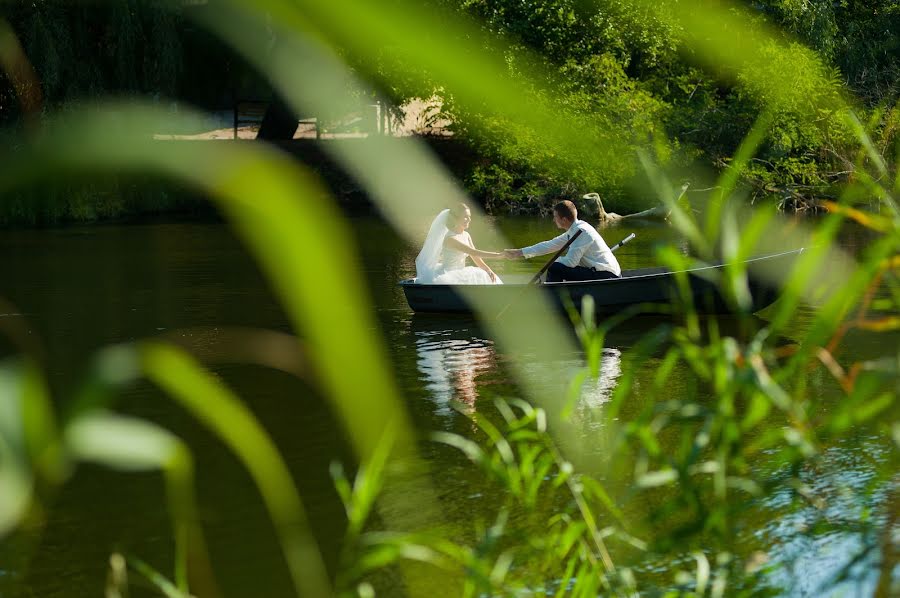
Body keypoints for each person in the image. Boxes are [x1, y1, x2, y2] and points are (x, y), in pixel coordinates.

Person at [503, 200, 621, 282]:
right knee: (556, 267)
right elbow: (549, 245)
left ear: (563, 219)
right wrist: (519, 252)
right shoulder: (574, 230)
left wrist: (553, 262)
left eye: (555, 217)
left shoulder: (581, 232)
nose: (553, 220)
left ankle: (553, 296)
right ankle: (555, 290)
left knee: (555, 267)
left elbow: (570, 263)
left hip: (606, 276)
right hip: (597, 272)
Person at [415, 203, 504, 284]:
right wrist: (500, 255)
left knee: (485, 274)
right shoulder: (451, 238)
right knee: (480, 275)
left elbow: (475, 257)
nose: (469, 219)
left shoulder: (466, 235)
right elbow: (473, 252)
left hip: (461, 272)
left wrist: (488, 270)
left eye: (469, 216)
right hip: (449, 274)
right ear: (456, 218)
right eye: (465, 216)